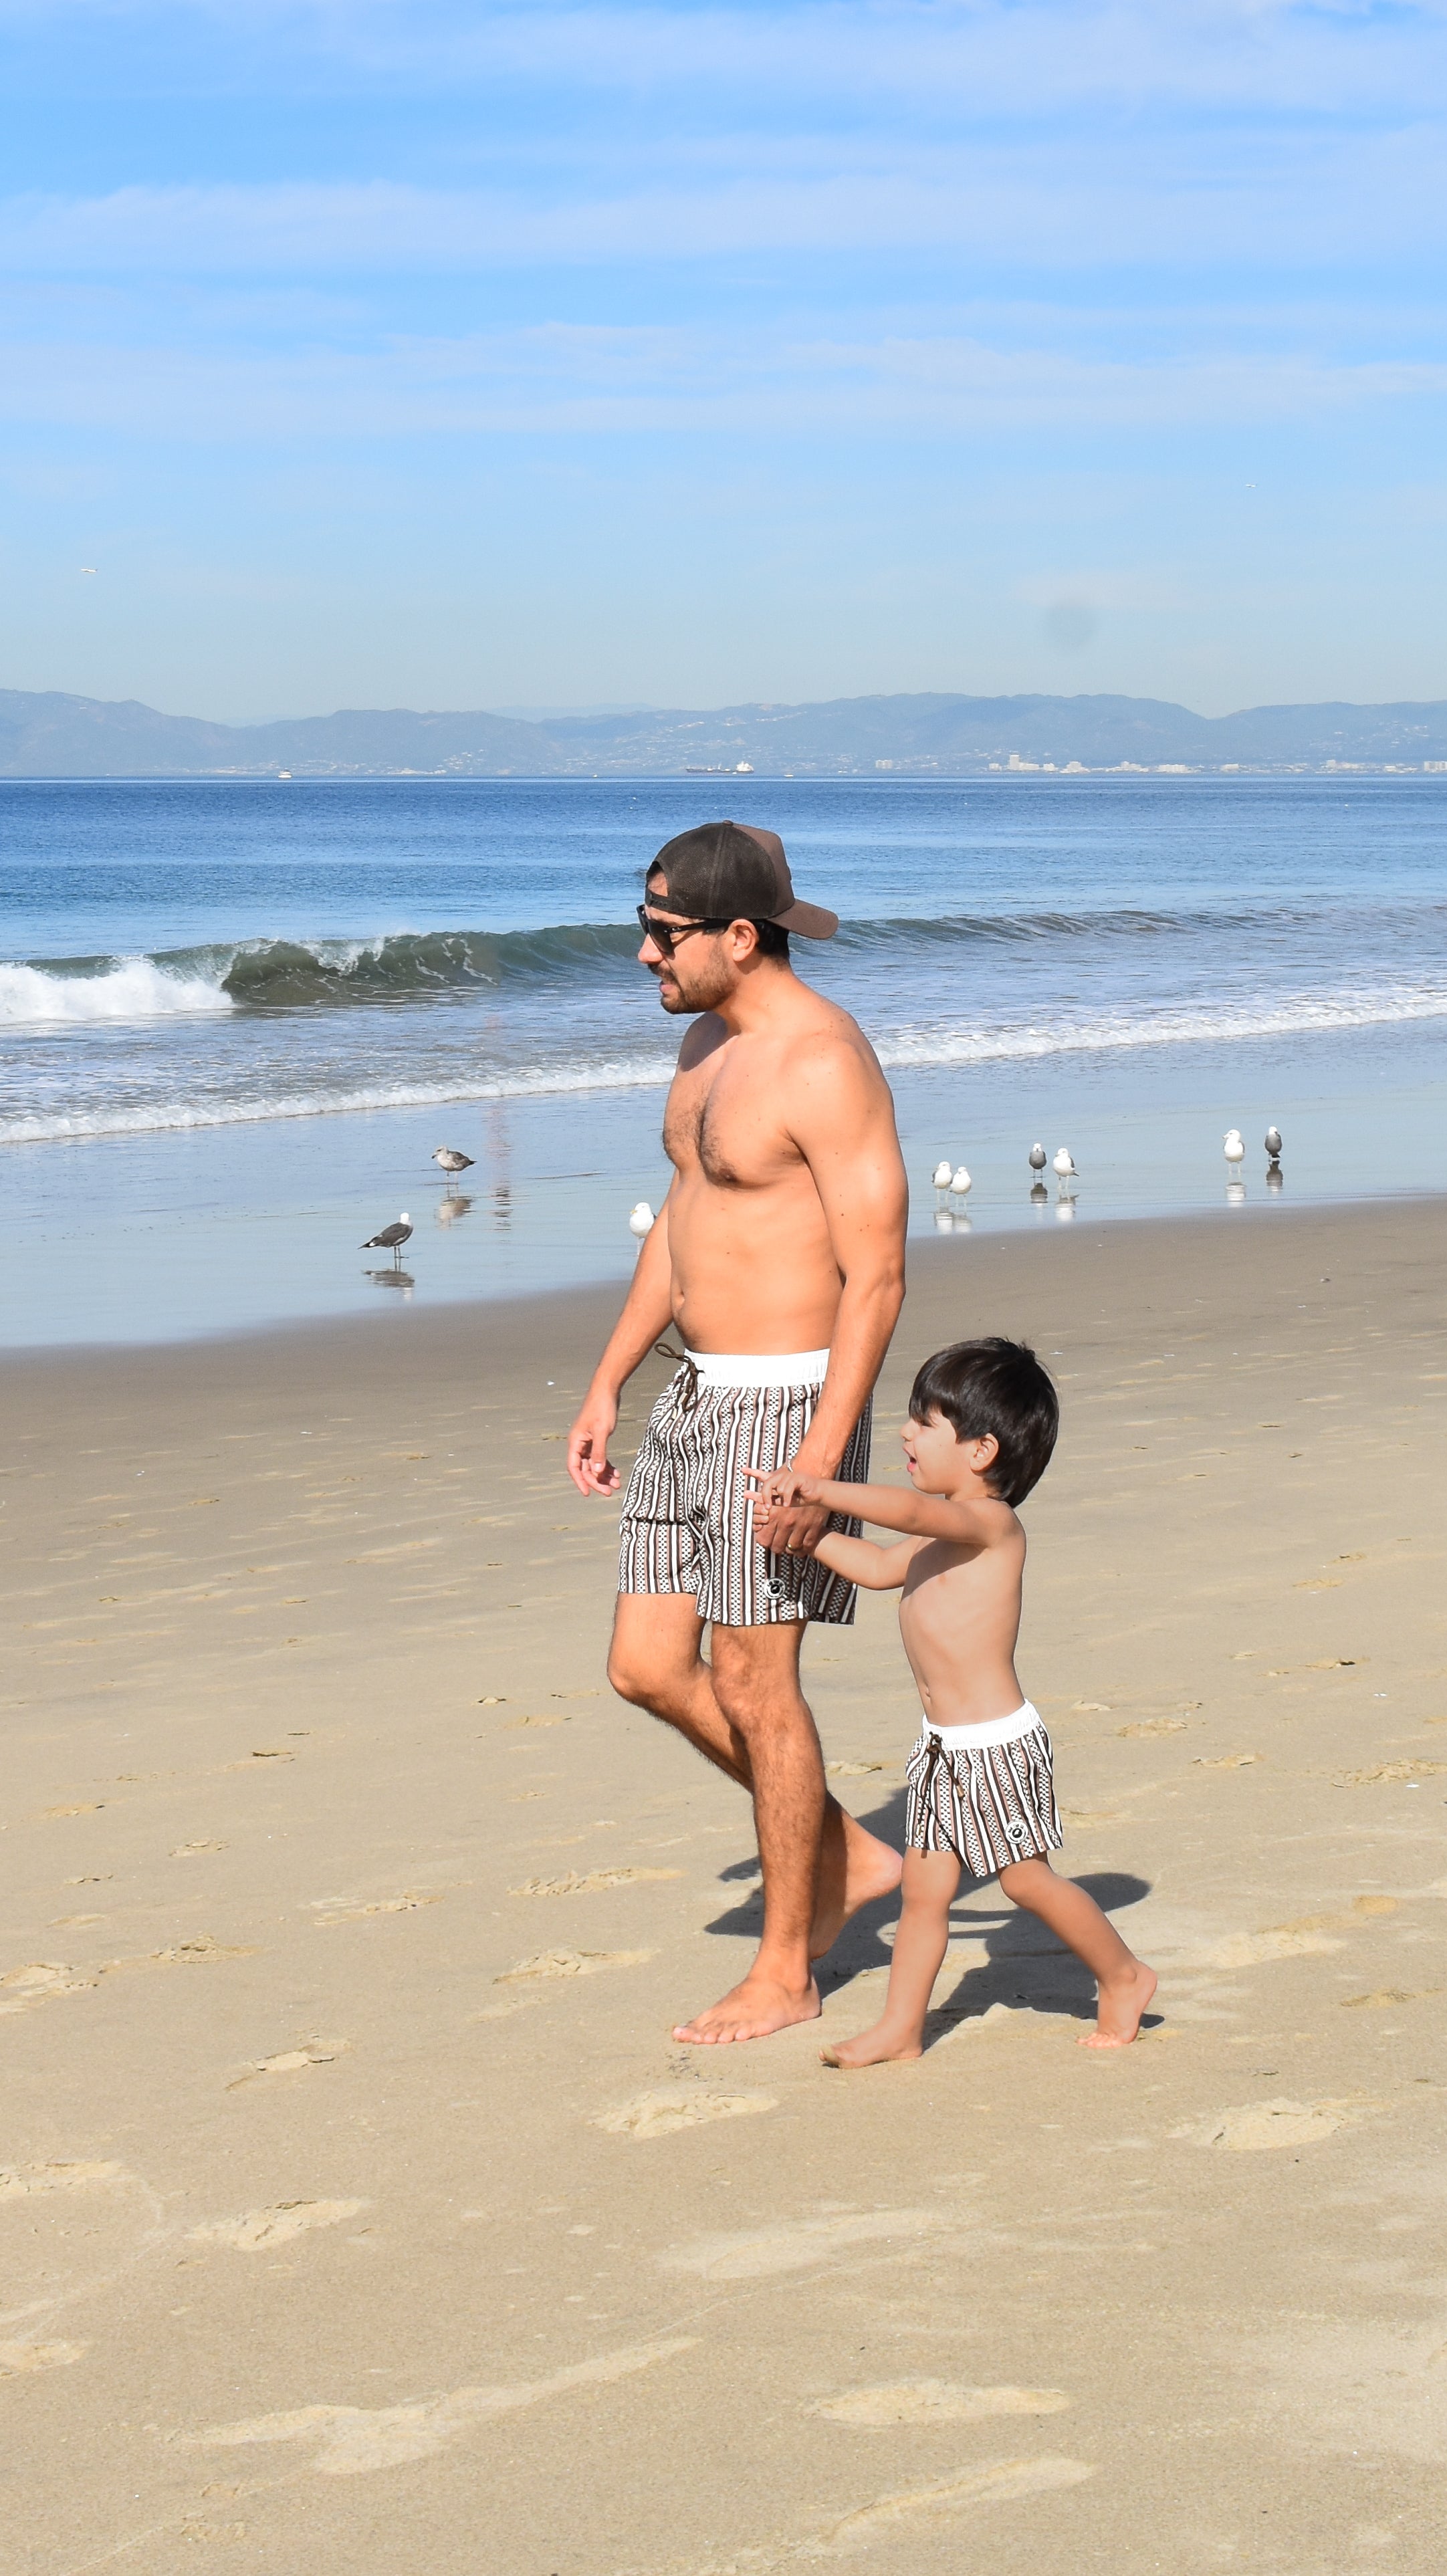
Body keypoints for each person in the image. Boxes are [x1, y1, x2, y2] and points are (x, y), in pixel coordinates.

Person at [566, 820, 908, 2045]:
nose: (644, 957)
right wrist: (610, 1375)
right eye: (643, 929)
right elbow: (683, 1215)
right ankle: (853, 1851)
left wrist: (820, 1457)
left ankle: (784, 1969)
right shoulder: (706, 1044)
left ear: (737, 936)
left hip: (782, 1406)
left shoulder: (823, 1064)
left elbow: (875, 1277)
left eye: (662, 936)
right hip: (693, 1390)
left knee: (759, 1684)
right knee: (646, 1666)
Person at [750, 1336, 1158, 2063]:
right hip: (942, 1748)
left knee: (1026, 1879)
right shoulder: (941, 1535)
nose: (905, 1432)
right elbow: (876, 1566)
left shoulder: (987, 1524)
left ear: (980, 1451)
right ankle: (901, 2028)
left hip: (997, 1745)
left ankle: (1123, 1975)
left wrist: (819, 1488)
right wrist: (799, 1538)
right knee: (924, 1895)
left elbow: (906, 1514)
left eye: (926, 1421)